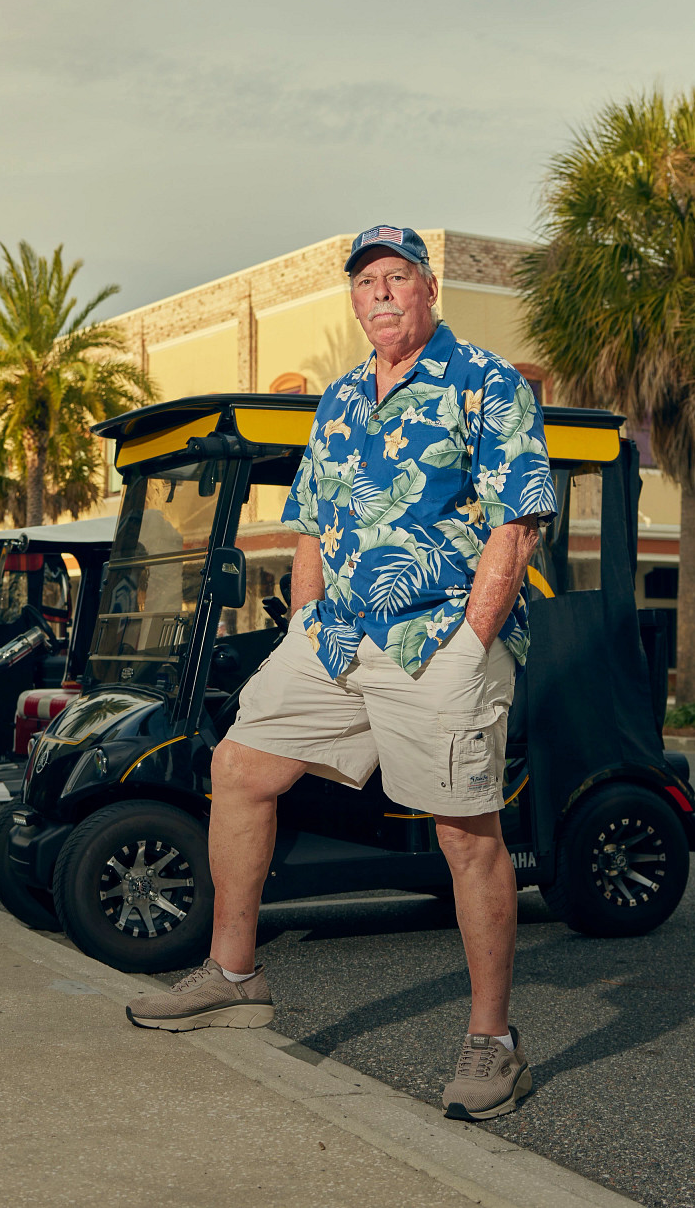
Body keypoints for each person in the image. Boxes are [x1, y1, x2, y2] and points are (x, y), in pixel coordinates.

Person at [126, 224, 556, 1123]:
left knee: (464, 832)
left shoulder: (487, 384)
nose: (383, 295)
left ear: (429, 289)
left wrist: (473, 643)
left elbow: (518, 521)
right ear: (355, 302)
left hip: (438, 637)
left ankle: (494, 1044)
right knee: (239, 766)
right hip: (335, 639)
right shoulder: (341, 401)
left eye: (399, 278)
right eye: (367, 284)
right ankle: (235, 973)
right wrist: (307, 619)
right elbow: (312, 522)